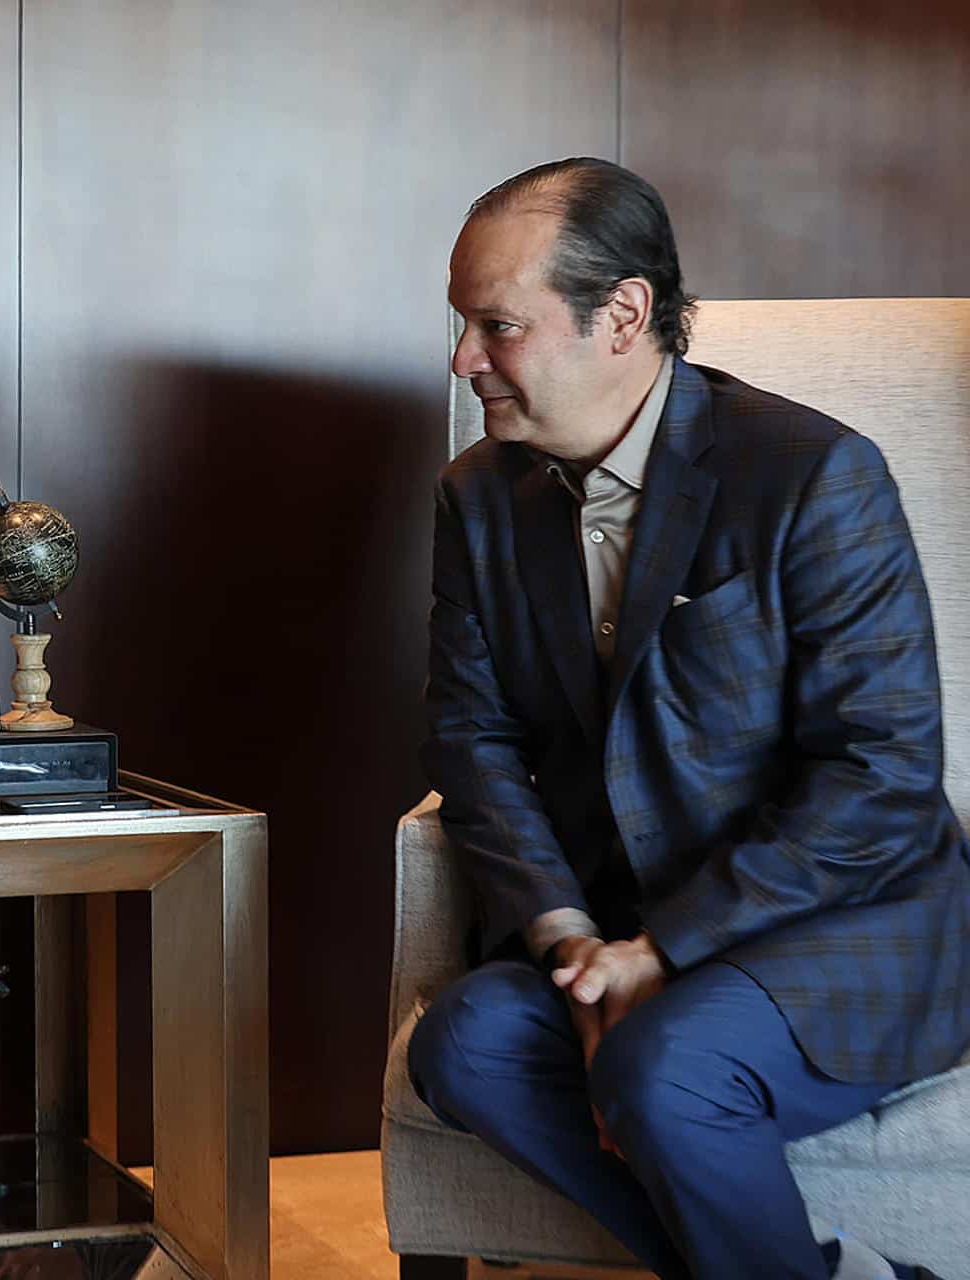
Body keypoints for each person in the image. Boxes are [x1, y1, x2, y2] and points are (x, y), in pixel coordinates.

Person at [409, 158, 969, 1279]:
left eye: (496, 324)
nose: (465, 359)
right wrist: (575, 945)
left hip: (843, 930)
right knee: (462, 1041)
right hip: (614, 931)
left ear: (622, 313)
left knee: (661, 1064)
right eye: (464, 325)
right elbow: (477, 750)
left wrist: (664, 951)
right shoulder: (479, 495)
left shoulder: (816, 474)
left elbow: (883, 774)